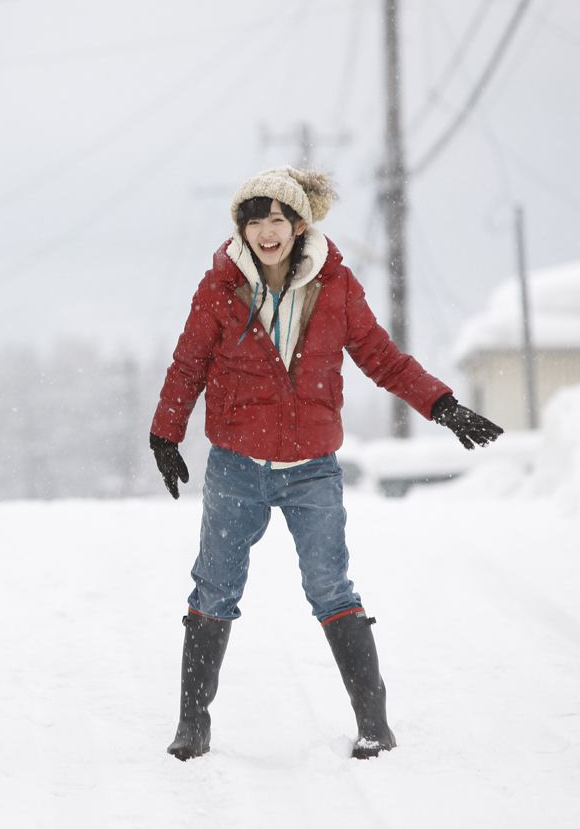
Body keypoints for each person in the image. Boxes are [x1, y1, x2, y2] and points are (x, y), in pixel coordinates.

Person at [149, 166, 502, 761]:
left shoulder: (335, 286)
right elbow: (188, 364)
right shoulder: (220, 288)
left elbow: (382, 358)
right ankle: (193, 725)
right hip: (237, 464)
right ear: (242, 227)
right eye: (255, 220)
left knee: (330, 586)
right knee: (214, 586)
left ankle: (374, 725)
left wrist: (443, 406)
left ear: (298, 224)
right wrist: (166, 433)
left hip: (312, 468)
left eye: (278, 219)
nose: (267, 232)